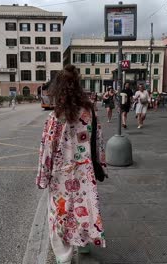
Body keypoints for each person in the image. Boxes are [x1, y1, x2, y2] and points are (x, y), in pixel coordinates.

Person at [36, 65, 106, 264]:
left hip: (61, 175)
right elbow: (98, 142)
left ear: (59, 89)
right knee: (84, 208)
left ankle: (64, 258)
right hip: (85, 171)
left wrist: (42, 177)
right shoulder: (90, 113)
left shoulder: (55, 118)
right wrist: (101, 165)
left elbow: (47, 149)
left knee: (60, 214)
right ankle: (83, 245)